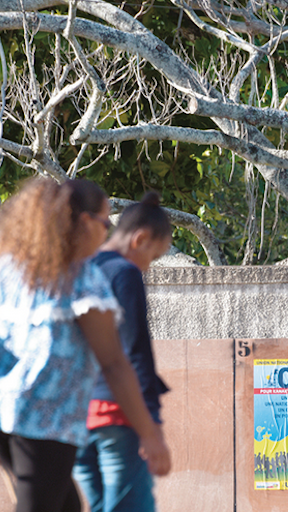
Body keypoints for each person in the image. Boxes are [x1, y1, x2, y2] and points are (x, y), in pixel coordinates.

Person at [0, 178, 170, 512]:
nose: (106, 232)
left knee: (68, 506)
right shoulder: (81, 277)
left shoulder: (3, 270)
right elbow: (114, 363)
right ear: (84, 222)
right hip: (47, 423)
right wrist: (150, 434)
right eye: (105, 222)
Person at [73, 192, 172, 512]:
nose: (148, 267)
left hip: (75, 416)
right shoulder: (124, 273)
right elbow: (134, 350)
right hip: (117, 413)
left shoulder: (82, 267)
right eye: (153, 258)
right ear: (140, 239)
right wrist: (152, 424)